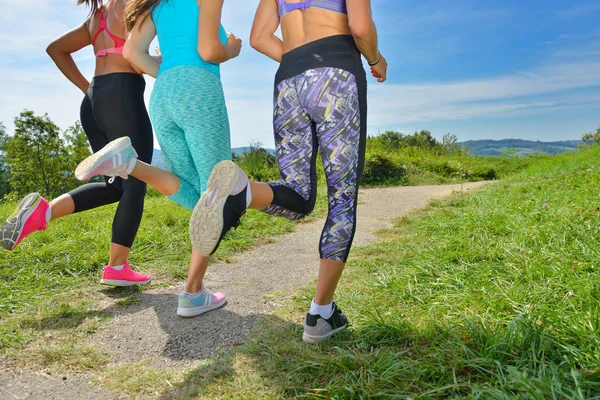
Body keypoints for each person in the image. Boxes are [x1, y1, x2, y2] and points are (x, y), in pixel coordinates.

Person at [190, 0, 388, 343]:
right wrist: (375, 59)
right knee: (342, 197)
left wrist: (301, 60)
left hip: (289, 81)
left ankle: (244, 191)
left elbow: (259, 37)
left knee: (298, 193)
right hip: (337, 73)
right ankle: (320, 314)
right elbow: (360, 29)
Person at [73, 0, 243, 317]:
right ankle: (193, 293)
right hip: (198, 89)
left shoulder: (156, 4)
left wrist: (168, 75)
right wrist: (231, 48)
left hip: (163, 96)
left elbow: (132, 53)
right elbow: (210, 52)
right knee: (219, 194)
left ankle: (130, 163)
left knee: (197, 196)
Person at [1, 0, 154, 287]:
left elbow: (56, 49)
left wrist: (91, 90)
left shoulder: (98, 15)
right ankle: (117, 268)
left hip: (95, 101)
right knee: (135, 182)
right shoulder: (136, 6)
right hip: (123, 96)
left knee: (116, 185)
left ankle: (43, 212)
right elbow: (137, 55)